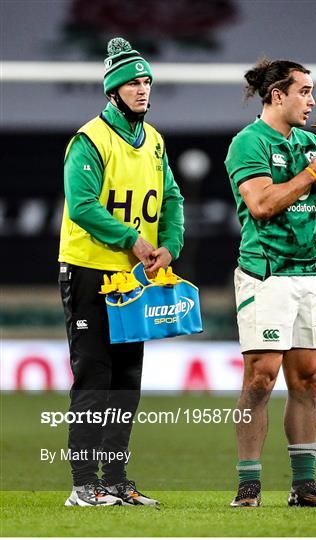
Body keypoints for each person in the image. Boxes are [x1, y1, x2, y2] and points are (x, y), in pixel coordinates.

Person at [58, 37, 184, 506]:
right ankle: (82, 483)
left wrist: (169, 245)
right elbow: (83, 206)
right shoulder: (89, 140)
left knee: (127, 379)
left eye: (147, 81)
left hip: (134, 280)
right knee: (94, 376)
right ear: (112, 91)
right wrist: (133, 240)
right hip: (90, 270)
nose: (142, 89)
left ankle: (114, 479)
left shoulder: (153, 141)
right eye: (133, 82)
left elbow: (172, 198)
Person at [225, 58, 316, 508]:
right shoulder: (249, 144)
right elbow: (261, 204)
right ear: (278, 94)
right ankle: (249, 484)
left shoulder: (309, 144)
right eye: (305, 92)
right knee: (261, 378)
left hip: (311, 272)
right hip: (267, 272)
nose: (312, 102)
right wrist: (314, 171)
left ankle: (304, 485)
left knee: (309, 379)